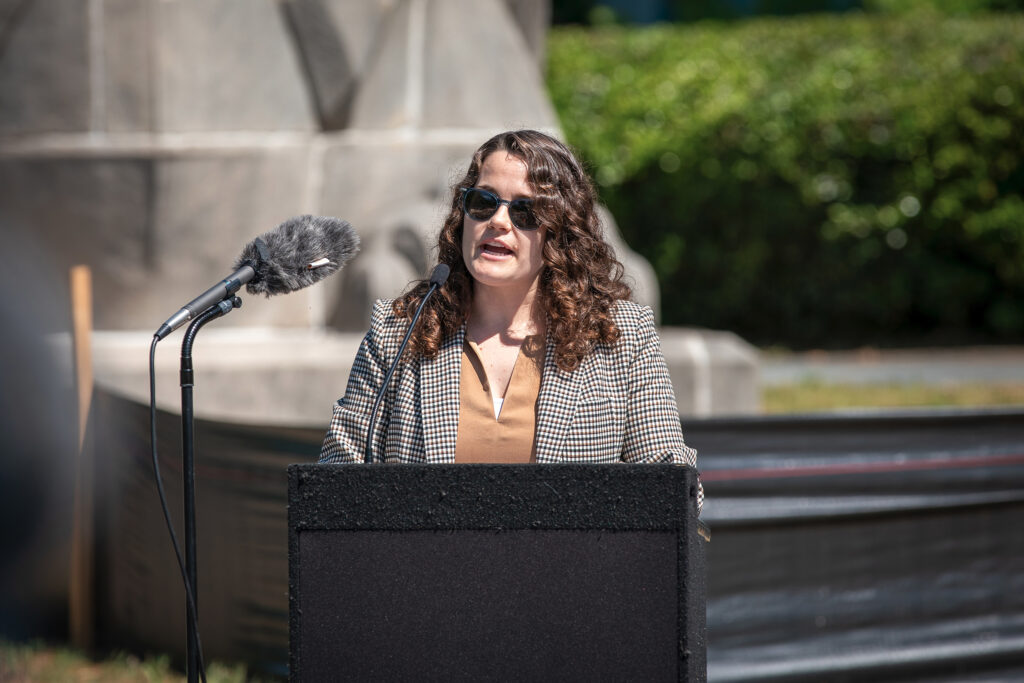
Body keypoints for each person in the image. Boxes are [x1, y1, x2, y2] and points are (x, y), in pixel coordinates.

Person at [320, 130, 699, 500]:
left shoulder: (619, 335)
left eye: (525, 211)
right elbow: (336, 478)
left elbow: (672, 482)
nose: (499, 221)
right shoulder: (399, 331)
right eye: (483, 202)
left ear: (561, 232)